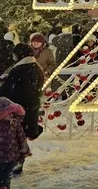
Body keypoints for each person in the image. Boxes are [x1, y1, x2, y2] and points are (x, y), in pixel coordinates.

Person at [0, 44, 43, 176]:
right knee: (20, 137)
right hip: (30, 110)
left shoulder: (19, 69)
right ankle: (18, 164)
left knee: (12, 139)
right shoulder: (37, 68)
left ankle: (13, 166)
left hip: (17, 111)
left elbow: (8, 90)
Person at [0, 97, 30, 188]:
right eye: (9, 113)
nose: (11, 115)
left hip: (11, 157)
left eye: (12, 112)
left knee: (5, 177)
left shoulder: (15, 123)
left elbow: (21, 138)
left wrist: (25, 150)